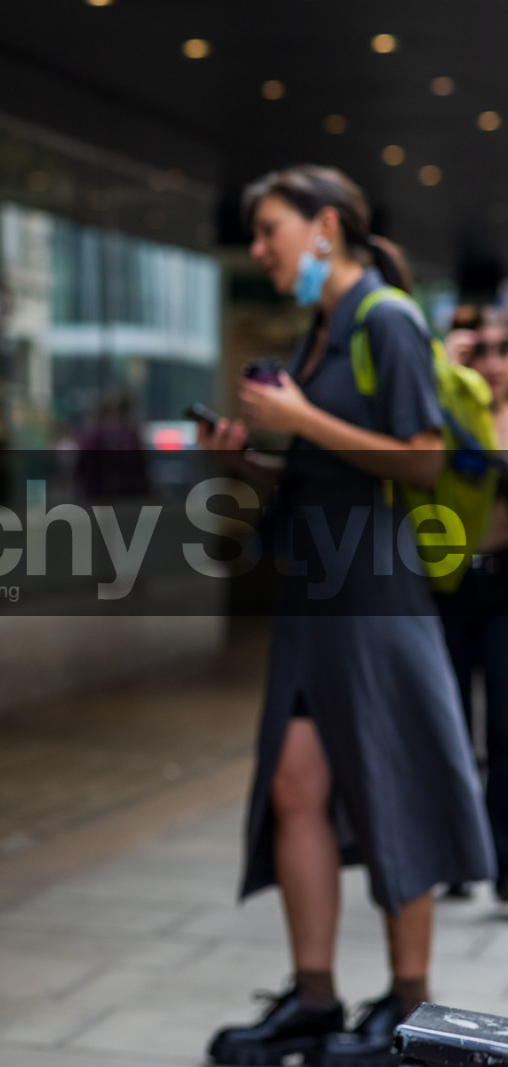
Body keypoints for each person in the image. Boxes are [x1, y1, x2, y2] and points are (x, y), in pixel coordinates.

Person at [200, 165, 492, 1067]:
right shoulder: (323, 327)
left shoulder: (387, 318)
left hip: (375, 594)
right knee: (295, 789)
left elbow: (420, 457)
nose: (260, 249)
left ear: (324, 226)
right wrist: (249, 460)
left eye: (271, 231)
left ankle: (407, 1002)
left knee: (392, 784)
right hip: (316, 594)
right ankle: (316, 998)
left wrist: (300, 416)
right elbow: (325, 472)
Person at [436, 307, 508, 901]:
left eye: (502, 350)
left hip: (505, 586)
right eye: (479, 350)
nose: (492, 363)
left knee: (504, 728)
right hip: (451, 584)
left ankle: (503, 861)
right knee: (450, 724)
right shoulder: (450, 410)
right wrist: (443, 370)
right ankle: (456, 853)